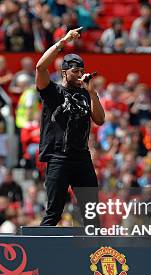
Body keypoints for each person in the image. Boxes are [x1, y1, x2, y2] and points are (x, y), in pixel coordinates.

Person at [35, 27, 105, 227]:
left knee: (92, 214)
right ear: (64, 72)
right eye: (75, 71)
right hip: (59, 158)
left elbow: (99, 119)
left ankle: (95, 255)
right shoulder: (53, 92)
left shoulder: (86, 93)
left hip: (82, 157)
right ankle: (38, 253)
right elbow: (40, 67)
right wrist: (63, 41)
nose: (80, 75)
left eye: (82, 71)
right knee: (54, 213)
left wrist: (92, 93)